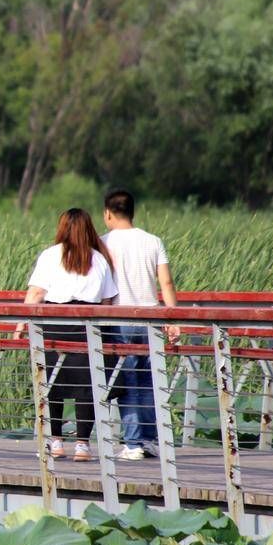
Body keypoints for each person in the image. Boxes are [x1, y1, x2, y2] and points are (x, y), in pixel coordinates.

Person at [15, 208, 117, 462]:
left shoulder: (50, 255)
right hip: (87, 328)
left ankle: (56, 442)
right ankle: (82, 445)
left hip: (52, 326)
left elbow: (36, 294)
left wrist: (19, 326)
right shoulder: (99, 259)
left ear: (62, 228)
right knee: (87, 387)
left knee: (52, 384)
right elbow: (107, 301)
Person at [102, 189, 180, 461]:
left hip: (118, 319)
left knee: (128, 380)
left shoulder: (103, 243)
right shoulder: (153, 241)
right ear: (133, 212)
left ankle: (133, 442)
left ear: (107, 213)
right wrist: (172, 318)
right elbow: (166, 283)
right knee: (148, 379)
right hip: (151, 318)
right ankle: (148, 440)